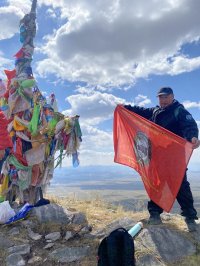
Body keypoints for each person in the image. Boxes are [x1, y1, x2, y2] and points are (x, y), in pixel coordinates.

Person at [124, 87, 200, 231]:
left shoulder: (179, 111)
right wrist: (124, 107)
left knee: (180, 184)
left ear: (172, 96)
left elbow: (189, 125)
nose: (163, 100)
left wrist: (193, 137)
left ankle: (190, 217)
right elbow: (139, 110)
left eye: (165, 97)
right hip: (158, 156)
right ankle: (154, 213)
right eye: (160, 97)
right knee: (157, 183)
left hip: (175, 156)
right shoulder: (155, 111)